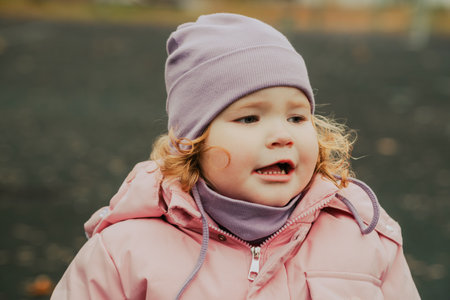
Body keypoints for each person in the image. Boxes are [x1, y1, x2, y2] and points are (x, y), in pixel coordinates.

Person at [51, 13, 420, 299]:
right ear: (192, 142)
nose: (281, 135)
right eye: (249, 117)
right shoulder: (125, 252)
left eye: (296, 116)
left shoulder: (364, 236)